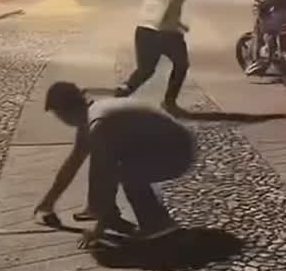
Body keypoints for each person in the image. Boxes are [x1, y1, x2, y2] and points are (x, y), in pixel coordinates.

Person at [34, 83, 196, 248]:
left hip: (177, 154)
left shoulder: (99, 124)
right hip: (168, 147)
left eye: (58, 116)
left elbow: (102, 177)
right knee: (121, 165)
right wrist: (48, 202)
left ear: (66, 112)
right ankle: (112, 219)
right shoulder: (92, 116)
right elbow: (73, 163)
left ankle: (157, 223)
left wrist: (97, 229)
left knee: (125, 170)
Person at [115, 0, 192, 113]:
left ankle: (123, 91)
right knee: (181, 64)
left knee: (145, 69)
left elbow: (156, 2)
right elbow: (172, 4)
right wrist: (176, 25)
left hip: (143, 27)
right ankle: (169, 102)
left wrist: (176, 23)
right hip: (164, 30)